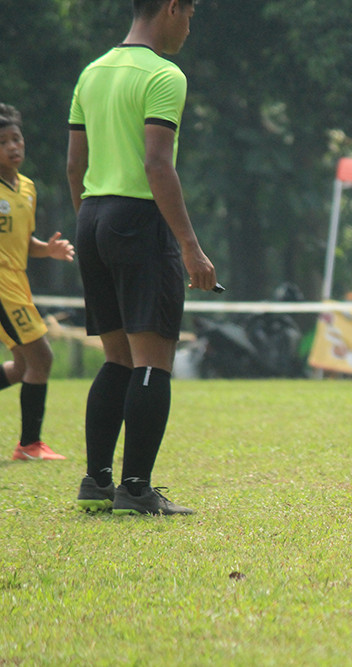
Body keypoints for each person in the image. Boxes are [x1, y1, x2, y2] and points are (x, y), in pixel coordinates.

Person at [67, 0, 216, 515]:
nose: (190, 27)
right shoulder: (163, 75)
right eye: (190, 15)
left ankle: (96, 482)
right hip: (138, 218)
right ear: (172, 7)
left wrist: (93, 229)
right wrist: (190, 246)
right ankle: (135, 489)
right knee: (153, 359)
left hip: (91, 214)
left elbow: (74, 165)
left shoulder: (92, 72)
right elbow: (156, 163)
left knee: (118, 357)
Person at [0, 103, 76, 461]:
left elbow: (24, 241)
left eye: (16, 139)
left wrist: (49, 249)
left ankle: (30, 445)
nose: (12, 147)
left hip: (18, 283)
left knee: (21, 367)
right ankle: (29, 446)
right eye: (3, 142)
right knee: (41, 358)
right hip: (2, 286)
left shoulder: (28, 188)